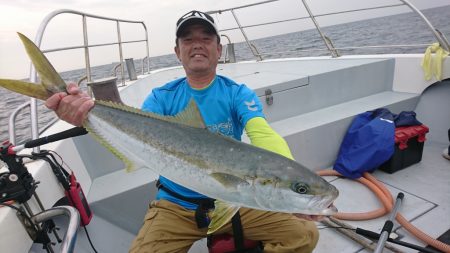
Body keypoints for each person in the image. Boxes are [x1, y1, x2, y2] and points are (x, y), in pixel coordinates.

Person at [46, 10, 323, 253]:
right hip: (176, 204)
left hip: (240, 199)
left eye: (206, 38)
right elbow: (136, 133)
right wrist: (84, 114)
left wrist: (292, 193)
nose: (197, 44)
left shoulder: (237, 93)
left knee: (304, 235)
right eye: (188, 39)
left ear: (219, 49)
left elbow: (262, 133)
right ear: (178, 51)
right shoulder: (162, 98)